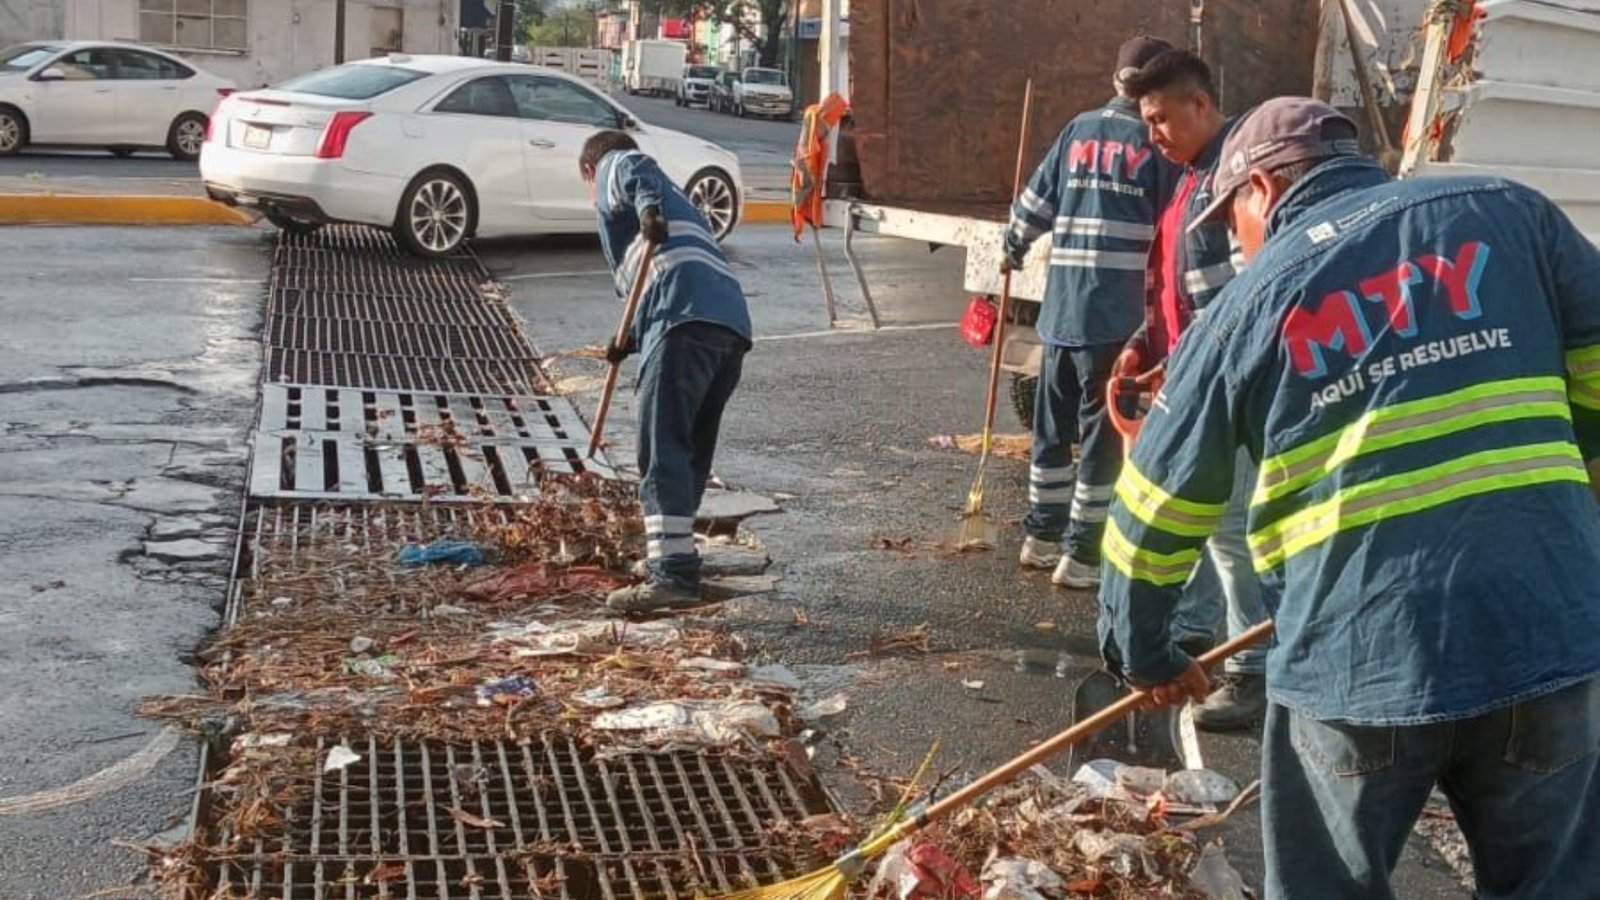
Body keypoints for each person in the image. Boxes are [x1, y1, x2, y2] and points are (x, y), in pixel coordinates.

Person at [1100, 96, 1600, 898]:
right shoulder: (1512, 214)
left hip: (1357, 659)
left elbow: (1157, 505)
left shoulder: (1245, 307)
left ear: (1263, 187)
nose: (1237, 244)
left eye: (1232, 223)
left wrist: (1143, 650)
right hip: (1543, 633)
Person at [1119, 49, 1272, 730]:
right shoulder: (1191, 178)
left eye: (1160, 118)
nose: (1153, 134)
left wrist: (1210, 379)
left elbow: (1252, 300)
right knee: (1207, 524)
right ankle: (1200, 634)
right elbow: (1181, 288)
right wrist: (1149, 344)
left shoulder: (1237, 185)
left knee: (1234, 532)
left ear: (1201, 105)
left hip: (1230, 392)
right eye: (1146, 121)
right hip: (1196, 381)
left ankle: (1254, 672)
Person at [1005, 35, 1181, 588]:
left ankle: (1041, 538)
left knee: (1050, 433)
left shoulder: (1077, 131)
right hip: (1116, 322)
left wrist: (1013, 245)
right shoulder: (1157, 143)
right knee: (1102, 442)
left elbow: (1034, 204)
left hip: (1061, 316)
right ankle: (1082, 556)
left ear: (1115, 80)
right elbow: (1180, 226)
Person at [579, 130, 753, 614]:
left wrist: (648, 210)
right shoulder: (682, 207)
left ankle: (672, 575)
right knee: (688, 448)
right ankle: (674, 554)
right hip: (728, 325)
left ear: (588, 172)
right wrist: (629, 340)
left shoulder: (614, 165)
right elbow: (656, 277)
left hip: (682, 320)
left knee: (661, 448)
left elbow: (632, 167)